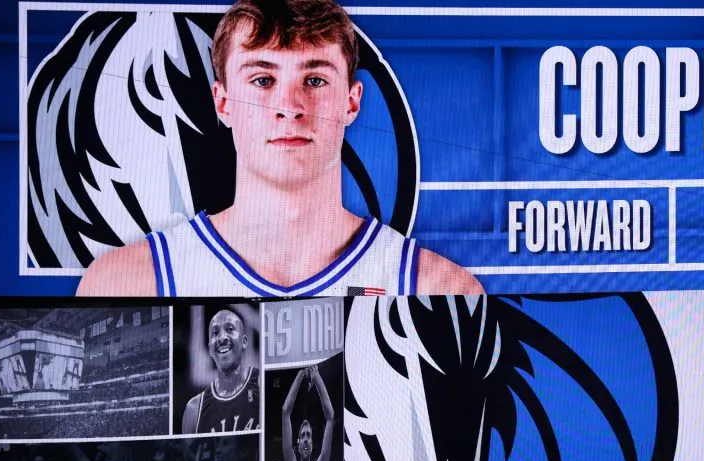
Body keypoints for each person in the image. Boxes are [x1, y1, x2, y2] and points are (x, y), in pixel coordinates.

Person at [76, 0, 481, 298]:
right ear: (223, 102)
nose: (289, 107)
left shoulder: (439, 292)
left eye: (316, 80)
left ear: (352, 102)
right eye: (262, 80)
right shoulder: (127, 284)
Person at [182, 309, 260, 434]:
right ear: (209, 349)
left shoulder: (261, 385)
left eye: (230, 329)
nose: (222, 338)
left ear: (245, 342)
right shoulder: (194, 409)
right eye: (215, 332)